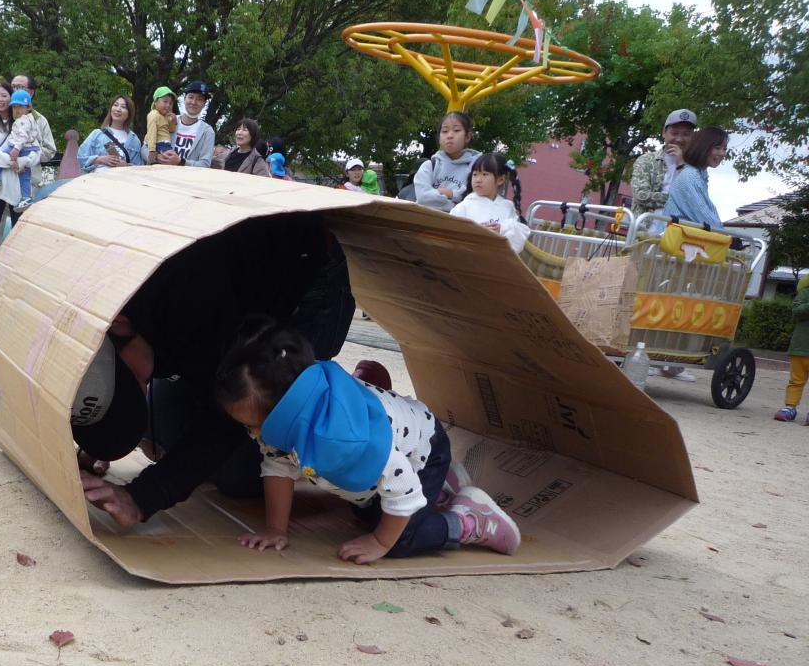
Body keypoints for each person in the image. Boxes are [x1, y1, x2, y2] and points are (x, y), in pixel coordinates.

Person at [72, 214, 354, 527]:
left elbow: (229, 415)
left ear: (120, 324)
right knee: (167, 429)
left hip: (305, 274)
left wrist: (143, 496)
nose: (142, 387)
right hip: (222, 292)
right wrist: (102, 425)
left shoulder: (195, 306)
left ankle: (346, 397)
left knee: (241, 473)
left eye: (135, 384)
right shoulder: (103, 305)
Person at [213, 321, 520, 563]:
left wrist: (380, 542)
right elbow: (278, 467)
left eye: (252, 426)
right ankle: (441, 488)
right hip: (395, 445)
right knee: (363, 508)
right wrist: (275, 529)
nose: (251, 434)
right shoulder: (289, 417)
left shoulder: (349, 438)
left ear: (286, 412)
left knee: (399, 537)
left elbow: (402, 489)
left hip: (422, 453)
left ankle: (469, 520)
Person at [0, 82, 42, 282]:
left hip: (18, 184)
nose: (0, 100)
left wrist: (22, 162)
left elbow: (37, 152)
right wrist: (12, 161)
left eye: (4, 95)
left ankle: (15, 277)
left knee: (18, 231)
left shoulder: (27, 121)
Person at [450, 152, 529, 253]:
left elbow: (519, 237)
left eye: (484, 174)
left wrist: (502, 228)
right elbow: (452, 235)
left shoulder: (507, 206)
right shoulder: (464, 206)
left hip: (498, 259)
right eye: (475, 174)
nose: (478, 180)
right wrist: (475, 232)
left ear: (500, 180)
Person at [631, 108, 697, 215]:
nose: (679, 139)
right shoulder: (646, 160)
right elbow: (641, 195)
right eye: (674, 133)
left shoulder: (696, 168)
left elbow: (696, 201)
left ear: (692, 137)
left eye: (686, 134)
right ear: (664, 133)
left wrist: (681, 163)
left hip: (679, 224)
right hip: (646, 223)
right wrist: (680, 201)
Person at [413, 111, 480, 213]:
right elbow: (423, 198)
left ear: (467, 137)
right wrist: (455, 203)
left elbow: (475, 201)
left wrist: (450, 194)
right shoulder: (429, 166)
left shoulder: (476, 168)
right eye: (444, 131)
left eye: (456, 130)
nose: (449, 135)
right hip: (427, 221)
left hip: (459, 223)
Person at [0, 90, 43, 211]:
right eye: (14, 107)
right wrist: (37, 145)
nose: (17, 110)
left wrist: (16, 149)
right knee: (25, 174)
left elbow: (22, 135)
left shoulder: (23, 120)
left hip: (19, 147)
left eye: (20, 106)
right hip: (30, 147)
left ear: (28, 107)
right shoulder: (32, 119)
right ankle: (26, 197)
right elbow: (38, 136)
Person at [664, 126, 728, 229]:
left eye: (724, 149)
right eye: (717, 148)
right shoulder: (691, 176)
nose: (722, 153)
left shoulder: (699, 175)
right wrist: (725, 234)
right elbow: (704, 215)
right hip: (677, 236)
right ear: (703, 147)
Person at [10, 74, 57, 190]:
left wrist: (28, 155)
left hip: (29, 181)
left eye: (20, 87)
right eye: (13, 87)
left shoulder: (40, 120)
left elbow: (50, 150)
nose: (15, 90)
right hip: (3, 181)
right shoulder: (1, 117)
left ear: (31, 93)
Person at [153, 80, 215, 167]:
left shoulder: (207, 132)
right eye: (191, 97)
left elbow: (205, 164)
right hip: (160, 173)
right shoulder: (167, 119)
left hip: (186, 176)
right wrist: (156, 157)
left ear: (204, 103)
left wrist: (181, 161)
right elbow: (145, 147)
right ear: (184, 98)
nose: (194, 102)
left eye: (199, 99)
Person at [78, 95, 146, 172]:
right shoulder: (97, 134)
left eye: (123, 107)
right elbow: (81, 157)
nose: (118, 109)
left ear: (129, 113)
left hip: (122, 178)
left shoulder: (134, 139)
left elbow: (139, 168)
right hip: (99, 177)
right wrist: (99, 159)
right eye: (115, 105)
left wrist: (126, 166)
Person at [774, 272, 809, 423]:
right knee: (796, 381)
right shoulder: (805, 293)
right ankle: (790, 407)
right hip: (800, 347)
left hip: (801, 347)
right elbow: (796, 311)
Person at [145, 87, 177, 157]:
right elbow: (151, 132)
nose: (168, 105)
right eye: (165, 101)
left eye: (171, 103)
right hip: (158, 144)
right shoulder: (153, 115)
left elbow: (171, 130)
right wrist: (152, 151)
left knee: (172, 159)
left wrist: (173, 121)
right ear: (155, 102)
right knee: (169, 160)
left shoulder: (166, 116)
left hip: (166, 144)